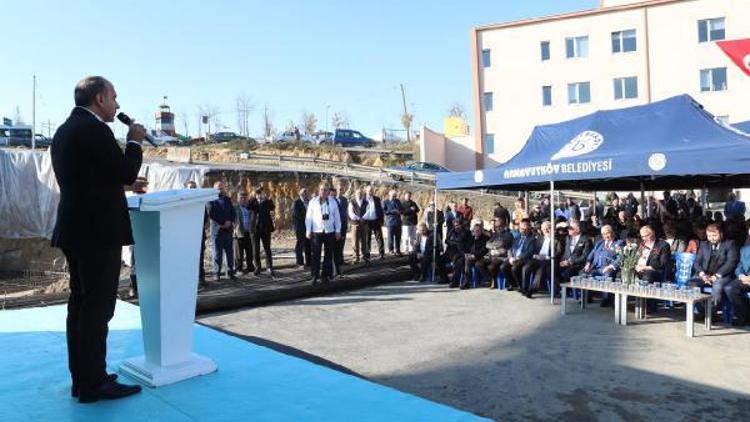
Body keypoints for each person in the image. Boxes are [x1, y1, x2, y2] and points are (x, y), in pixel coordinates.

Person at [51, 76, 144, 402]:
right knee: (97, 309)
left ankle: (84, 378)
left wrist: (122, 181)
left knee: (80, 306)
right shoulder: (94, 130)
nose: (118, 105)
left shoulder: (66, 130)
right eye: (115, 98)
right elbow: (125, 171)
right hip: (97, 233)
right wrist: (134, 142)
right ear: (100, 98)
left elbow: (91, 178)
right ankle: (94, 384)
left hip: (75, 229)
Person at [690, 224, 738, 311]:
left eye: (714, 235)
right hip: (706, 275)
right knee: (691, 283)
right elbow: (697, 262)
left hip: (723, 276)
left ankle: (712, 313)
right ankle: (702, 311)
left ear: (721, 234)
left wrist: (716, 276)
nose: (711, 238)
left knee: (717, 285)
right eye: (709, 236)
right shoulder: (704, 245)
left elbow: (731, 263)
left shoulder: (730, 244)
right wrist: (703, 275)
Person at [305, 183, 342, 285]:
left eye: (325, 190)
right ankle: (314, 275)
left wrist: (338, 230)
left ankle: (325, 275)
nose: (323, 192)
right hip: (317, 231)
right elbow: (308, 218)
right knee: (315, 254)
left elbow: (337, 218)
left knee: (328, 254)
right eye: (322, 189)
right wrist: (308, 230)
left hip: (329, 231)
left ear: (328, 191)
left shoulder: (333, 202)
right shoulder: (313, 202)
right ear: (318, 190)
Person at [583, 225, 623, 306]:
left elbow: (621, 257)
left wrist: (610, 266)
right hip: (596, 267)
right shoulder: (599, 243)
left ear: (613, 233)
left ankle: (605, 299)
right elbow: (591, 254)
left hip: (609, 268)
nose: (606, 236)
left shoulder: (618, 243)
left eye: (607, 233)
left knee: (608, 274)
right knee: (585, 274)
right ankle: (587, 297)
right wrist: (588, 263)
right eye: (604, 234)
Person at [521, 221, 559, 298]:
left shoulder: (556, 239)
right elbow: (534, 250)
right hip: (538, 259)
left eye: (547, 229)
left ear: (551, 229)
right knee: (526, 267)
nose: (546, 231)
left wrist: (546, 257)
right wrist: (536, 255)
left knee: (541, 270)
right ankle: (524, 288)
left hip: (549, 260)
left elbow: (558, 253)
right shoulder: (540, 238)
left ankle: (532, 290)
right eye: (544, 229)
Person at [208, 181, 237, 281]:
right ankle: (216, 273)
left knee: (229, 252)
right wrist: (223, 222)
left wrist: (230, 221)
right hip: (217, 230)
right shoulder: (211, 200)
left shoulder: (228, 200)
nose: (220, 189)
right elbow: (211, 213)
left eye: (222, 187)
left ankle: (230, 272)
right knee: (217, 253)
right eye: (218, 188)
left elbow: (233, 212)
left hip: (228, 230)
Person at [476, 218, 514, 288]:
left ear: (504, 226)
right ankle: (490, 279)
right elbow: (487, 244)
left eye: (500, 226)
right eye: (496, 227)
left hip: (502, 257)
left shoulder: (508, 235)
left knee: (491, 267)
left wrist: (494, 246)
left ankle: (494, 280)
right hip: (493, 256)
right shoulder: (495, 234)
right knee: (479, 264)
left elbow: (502, 243)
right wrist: (495, 247)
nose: (498, 228)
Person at [500, 219, 536, 291]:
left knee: (514, 268)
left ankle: (520, 286)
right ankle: (513, 284)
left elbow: (529, 252)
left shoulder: (532, 239)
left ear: (529, 228)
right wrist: (510, 257)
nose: (522, 230)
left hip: (524, 259)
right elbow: (510, 249)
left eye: (524, 228)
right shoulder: (517, 237)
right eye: (521, 228)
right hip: (513, 258)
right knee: (503, 267)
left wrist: (517, 258)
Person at [128, 177, 148, 298]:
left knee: (146, 264)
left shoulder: (149, 199)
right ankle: (133, 287)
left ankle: (144, 287)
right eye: (141, 185)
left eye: (144, 184)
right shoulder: (131, 200)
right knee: (134, 263)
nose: (143, 187)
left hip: (147, 235)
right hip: (135, 235)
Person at [185, 181, 209, 287]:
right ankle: (188, 278)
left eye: (194, 187)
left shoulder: (200, 202)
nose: (192, 189)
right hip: (187, 234)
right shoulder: (183, 202)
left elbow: (205, 217)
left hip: (199, 232)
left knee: (200, 257)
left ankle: (200, 278)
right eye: (190, 187)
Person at [558, 220, 593, 290]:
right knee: (552, 268)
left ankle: (566, 291)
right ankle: (557, 290)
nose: (568, 230)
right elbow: (566, 252)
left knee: (567, 272)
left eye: (570, 228)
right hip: (566, 263)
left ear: (577, 229)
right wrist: (562, 261)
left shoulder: (586, 239)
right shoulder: (568, 238)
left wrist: (571, 262)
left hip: (578, 264)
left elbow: (585, 256)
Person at [250, 187, 276, 277]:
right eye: (258, 193)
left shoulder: (267, 201)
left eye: (260, 193)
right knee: (255, 249)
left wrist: (266, 198)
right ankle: (257, 267)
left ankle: (269, 267)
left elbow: (273, 207)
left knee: (267, 248)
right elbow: (248, 206)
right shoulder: (253, 201)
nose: (259, 195)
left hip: (266, 228)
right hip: (255, 228)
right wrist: (254, 197)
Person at [234, 191, 256, 275]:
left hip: (248, 232)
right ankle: (238, 269)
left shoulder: (249, 208)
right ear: (238, 199)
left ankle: (250, 267)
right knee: (239, 253)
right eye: (241, 198)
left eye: (245, 198)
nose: (243, 200)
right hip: (239, 232)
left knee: (249, 251)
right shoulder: (235, 208)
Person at [362, 185, 385, 261]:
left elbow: (381, 210)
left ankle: (381, 253)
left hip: (376, 220)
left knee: (379, 237)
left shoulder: (377, 199)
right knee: (367, 238)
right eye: (369, 191)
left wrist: (381, 220)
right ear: (366, 191)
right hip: (366, 221)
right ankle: (367, 254)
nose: (370, 192)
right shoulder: (363, 199)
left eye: (371, 190)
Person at [462, 223, 489, 289]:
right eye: (475, 230)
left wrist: (474, 255)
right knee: (460, 261)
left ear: (481, 230)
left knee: (468, 262)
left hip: (480, 257)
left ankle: (466, 283)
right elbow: (466, 247)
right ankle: (461, 280)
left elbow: (484, 250)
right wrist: (466, 253)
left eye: (478, 230)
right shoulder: (471, 238)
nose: (476, 232)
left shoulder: (485, 238)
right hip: (470, 257)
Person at [728, 244, 750, 326]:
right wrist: (741, 275)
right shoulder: (744, 249)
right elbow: (739, 266)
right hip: (745, 279)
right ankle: (743, 316)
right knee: (729, 288)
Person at [445, 219, 471, 288]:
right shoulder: (452, 231)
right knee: (439, 259)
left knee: (458, 263)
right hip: (451, 252)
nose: (456, 227)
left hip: (462, 253)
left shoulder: (466, 232)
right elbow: (446, 240)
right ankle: (444, 278)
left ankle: (455, 282)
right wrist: (453, 243)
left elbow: (463, 243)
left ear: (461, 225)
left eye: (457, 225)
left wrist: (454, 242)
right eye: (455, 225)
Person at [333, 183, 349, 276]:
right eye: (339, 189)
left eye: (341, 189)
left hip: (343, 224)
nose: (340, 191)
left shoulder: (345, 200)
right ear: (336, 190)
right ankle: (337, 261)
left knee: (342, 243)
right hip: (335, 225)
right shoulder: (333, 200)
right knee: (336, 244)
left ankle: (341, 259)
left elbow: (345, 212)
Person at [292, 188, 311, 268]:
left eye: (306, 192)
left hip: (309, 227)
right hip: (300, 227)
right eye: (303, 192)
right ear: (300, 194)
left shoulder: (309, 202)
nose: (305, 194)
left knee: (308, 245)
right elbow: (296, 214)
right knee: (300, 244)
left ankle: (309, 262)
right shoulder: (296, 202)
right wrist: (307, 218)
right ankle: (299, 262)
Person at [348, 187, 366, 263]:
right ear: (355, 194)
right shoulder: (352, 202)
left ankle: (364, 256)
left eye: (361, 193)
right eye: (358, 193)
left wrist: (363, 218)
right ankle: (356, 257)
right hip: (355, 224)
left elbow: (368, 211)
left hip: (364, 224)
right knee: (355, 241)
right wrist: (359, 218)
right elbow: (351, 213)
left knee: (364, 241)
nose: (359, 194)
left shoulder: (366, 202)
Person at [383, 189, 404, 256]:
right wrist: (392, 211)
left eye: (395, 196)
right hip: (390, 221)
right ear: (389, 195)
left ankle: (398, 250)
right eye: (393, 196)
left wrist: (399, 211)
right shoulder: (385, 202)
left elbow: (402, 209)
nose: (394, 197)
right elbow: (384, 211)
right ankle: (391, 250)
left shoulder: (398, 201)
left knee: (398, 237)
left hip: (398, 221)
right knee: (390, 237)